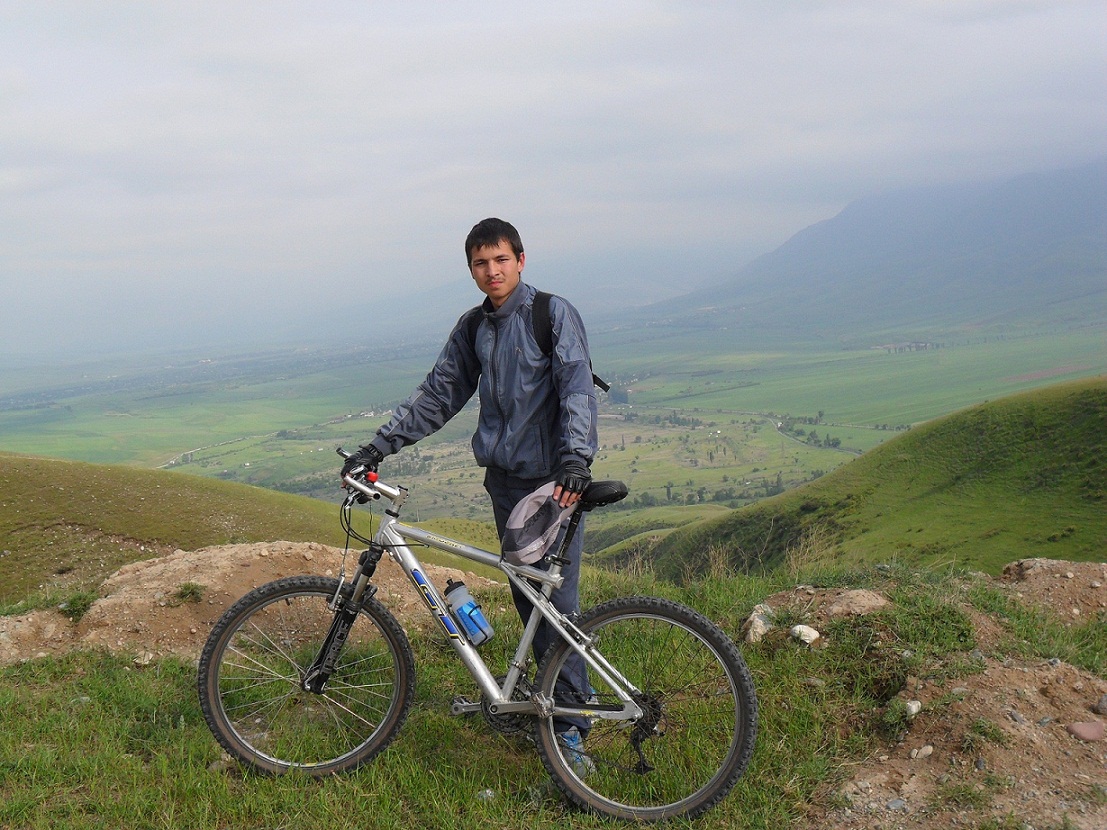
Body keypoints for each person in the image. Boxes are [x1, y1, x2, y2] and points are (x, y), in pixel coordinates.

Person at [340, 217, 599, 747]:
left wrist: (576, 459)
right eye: (481, 263)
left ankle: (570, 735)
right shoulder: (474, 327)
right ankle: (549, 707)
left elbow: (577, 388)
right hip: (503, 483)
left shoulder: (551, 314)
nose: (492, 271)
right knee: (529, 602)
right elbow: (439, 394)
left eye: (501, 259)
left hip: (552, 486)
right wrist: (378, 447)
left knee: (554, 610)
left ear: (520, 260)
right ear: (471, 270)